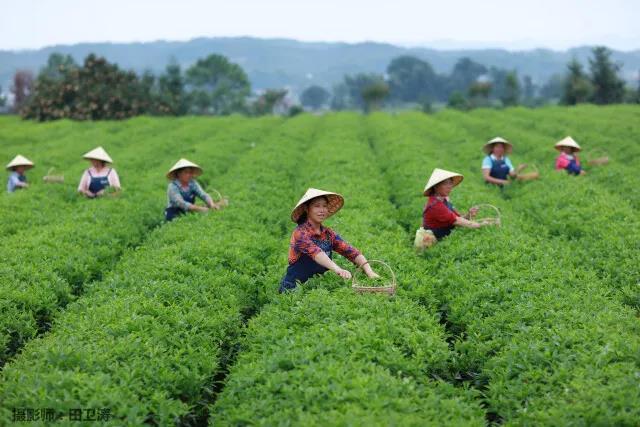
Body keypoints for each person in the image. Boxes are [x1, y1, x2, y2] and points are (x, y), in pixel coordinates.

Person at [279, 188, 379, 293]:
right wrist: (338, 270)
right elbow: (317, 254)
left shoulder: (328, 234)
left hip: (318, 288)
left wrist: (369, 271)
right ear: (307, 209)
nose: (322, 210)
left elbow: (352, 252)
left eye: (324, 206)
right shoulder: (300, 233)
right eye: (317, 206)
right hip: (294, 289)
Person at [422, 168, 485, 240]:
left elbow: (457, 219)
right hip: (432, 243)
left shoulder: (443, 200)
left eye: (450, 183)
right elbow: (459, 222)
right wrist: (484, 224)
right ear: (436, 186)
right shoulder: (436, 205)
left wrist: (469, 214)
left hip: (442, 238)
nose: (449, 187)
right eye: (445, 183)